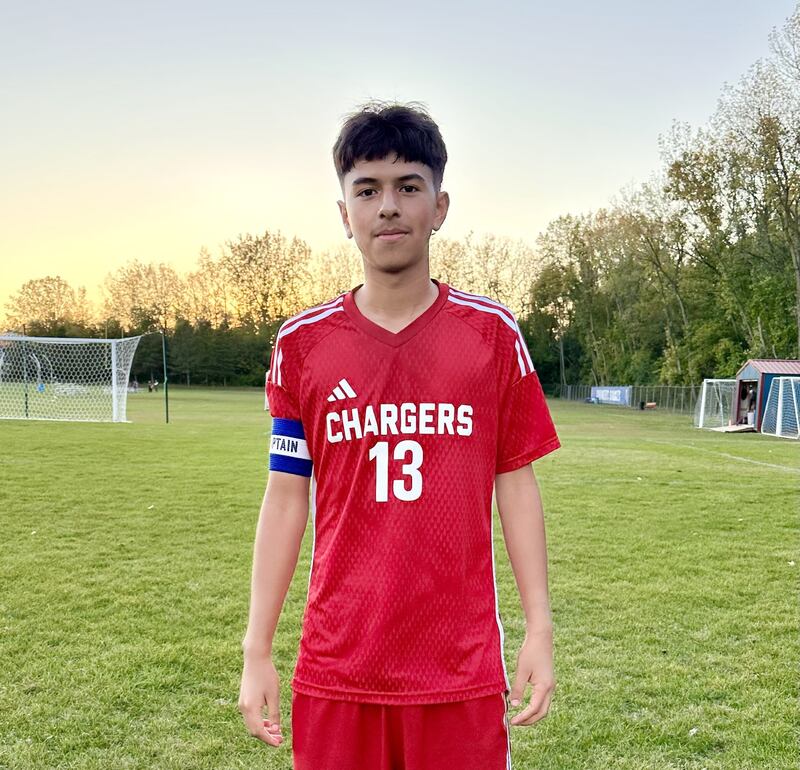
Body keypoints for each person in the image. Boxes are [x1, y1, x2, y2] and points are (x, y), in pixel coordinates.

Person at [239, 101, 562, 770]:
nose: (389, 206)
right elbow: (285, 497)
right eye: (368, 189)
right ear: (345, 213)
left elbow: (516, 484)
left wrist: (540, 626)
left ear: (439, 206)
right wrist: (257, 649)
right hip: (338, 665)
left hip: (457, 669)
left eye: (408, 187)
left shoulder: (491, 336)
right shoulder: (302, 345)